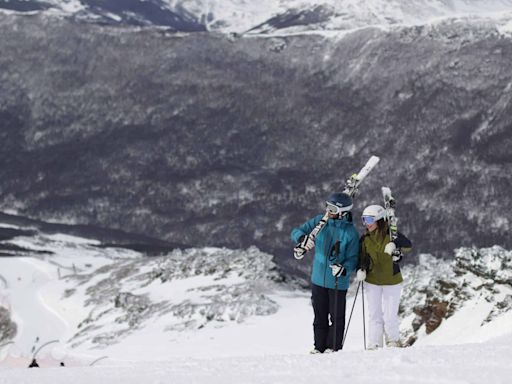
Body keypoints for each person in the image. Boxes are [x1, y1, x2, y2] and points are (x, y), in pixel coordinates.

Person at [291, 192, 359, 353]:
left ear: (342, 212)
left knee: (336, 318)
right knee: (319, 317)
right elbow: (296, 230)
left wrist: (343, 269)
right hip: (317, 280)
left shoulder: (350, 233)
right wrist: (302, 239)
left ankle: (333, 348)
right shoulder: (319, 222)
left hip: (337, 282)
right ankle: (318, 347)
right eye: (327, 206)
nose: (328, 211)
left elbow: (353, 258)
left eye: (333, 208)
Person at [356, 204, 412, 350]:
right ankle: (374, 342)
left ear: (379, 220)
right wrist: (360, 269)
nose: (366, 224)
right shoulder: (365, 239)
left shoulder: (391, 235)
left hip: (391, 281)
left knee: (390, 314)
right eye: (364, 220)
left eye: (368, 220)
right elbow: (361, 257)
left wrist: (394, 244)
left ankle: (393, 340)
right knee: (374, 313)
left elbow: (408, 245)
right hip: (372, 281)